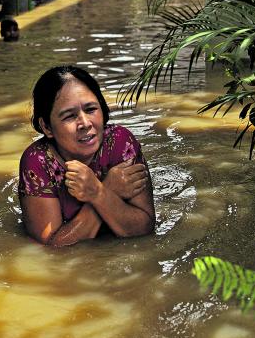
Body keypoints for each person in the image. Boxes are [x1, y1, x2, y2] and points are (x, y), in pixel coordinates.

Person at [18, 66, 155, 246]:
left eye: (91, 109)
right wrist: (101, 191)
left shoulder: (121, 144)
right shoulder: (37, 162)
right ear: (47, 127)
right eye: (69, 116)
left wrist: (99, 193)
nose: (85, 123)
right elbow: (54, 250)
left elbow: (145, 229)